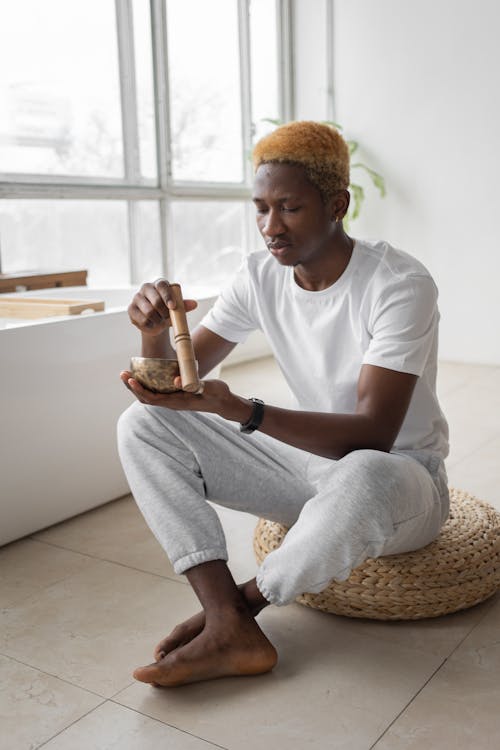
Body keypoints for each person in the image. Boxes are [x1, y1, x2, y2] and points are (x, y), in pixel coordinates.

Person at [117, 120, 449, 688]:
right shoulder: (259, 275)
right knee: (141, 424)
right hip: (309, 469)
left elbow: (373, 434)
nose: (271, 227)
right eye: (260, 208)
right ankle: (227, 624)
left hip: (400, 480)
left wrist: (244, 410)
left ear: (337, 204)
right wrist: (152, 334)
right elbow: (172, 387)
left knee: (364, 471)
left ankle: (241, 606)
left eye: (289, 208)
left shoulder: (398, 284)